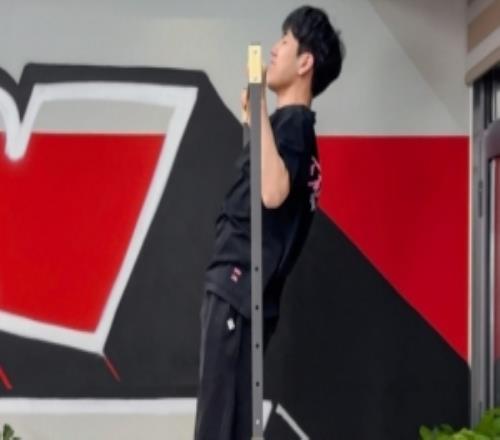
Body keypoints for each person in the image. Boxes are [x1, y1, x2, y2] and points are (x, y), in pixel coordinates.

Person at [194, 5, 345, 439]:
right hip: (241, 291)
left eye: (285, 41)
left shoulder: (293, 126)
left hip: (239, 288)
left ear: (305, 62)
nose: (274, 50)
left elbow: (274, 192)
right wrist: (257, 115)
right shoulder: (289, 127)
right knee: (229, 422)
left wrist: (259, 105)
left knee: (218, 427)